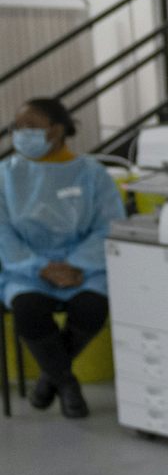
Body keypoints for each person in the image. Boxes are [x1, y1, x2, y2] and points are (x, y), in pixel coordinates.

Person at [1, 97, 123, 420]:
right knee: (28, 309)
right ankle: (67, 384)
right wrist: (40, 268)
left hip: (84, 267)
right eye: (16, 127)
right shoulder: (6, 175)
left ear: (56, 131)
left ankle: (49, 380)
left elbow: (109, 224)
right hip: (26, 268)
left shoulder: (92, 174)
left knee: (92, 307)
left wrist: (77, 265)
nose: (19, 133)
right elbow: (2, 234)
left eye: (30, 127)